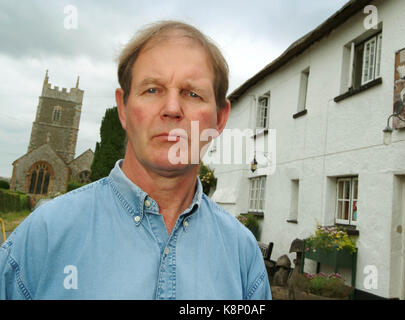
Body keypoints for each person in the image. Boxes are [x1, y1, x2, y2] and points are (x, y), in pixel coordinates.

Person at [0, 21, 272, 300]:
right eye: (152, 89)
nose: (171, 109)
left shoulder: (243, 255)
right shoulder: (44, 236)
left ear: (221, 117)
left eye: (192, 93)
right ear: (123, 109)